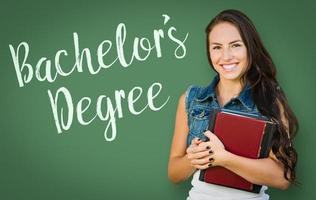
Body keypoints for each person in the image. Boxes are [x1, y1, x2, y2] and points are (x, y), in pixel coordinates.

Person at [167, 9, 298, 200]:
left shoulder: (270, 100)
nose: (226, 56)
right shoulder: (191, 99)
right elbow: (174, 173)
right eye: (217, 47)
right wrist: (193, 159)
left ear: (249, 48)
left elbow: (283, 178)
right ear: (209, 52)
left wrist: (225, 159)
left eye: (235, 45)